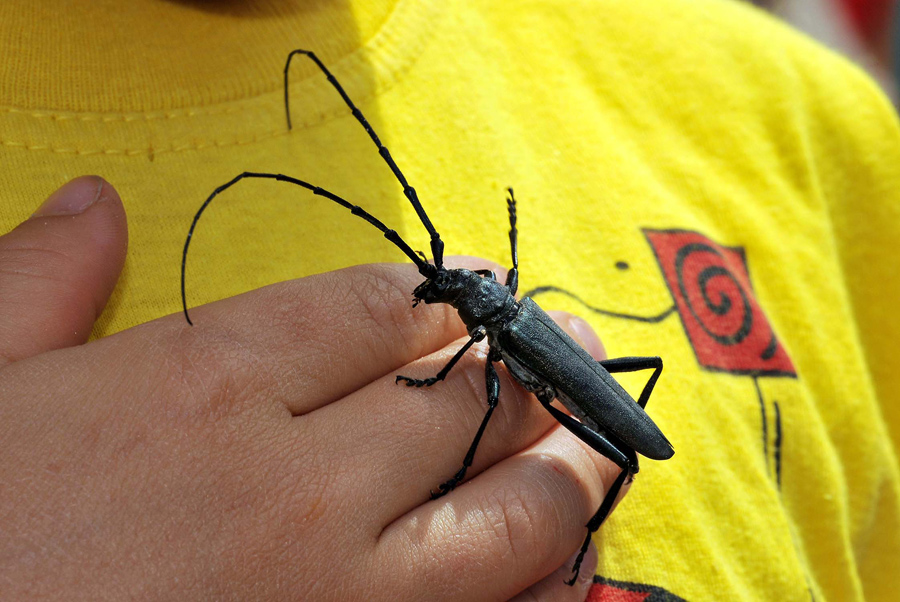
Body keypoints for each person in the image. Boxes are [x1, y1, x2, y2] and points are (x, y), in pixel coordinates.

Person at [1, 0, 898, 600]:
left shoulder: (824, 126)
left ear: (481, 296)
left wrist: (451, 402)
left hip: (615, 419)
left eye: (453, 285)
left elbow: (490, 395)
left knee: (507, 396)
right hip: (581, 387)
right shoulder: (496, 317)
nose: (441, 286)